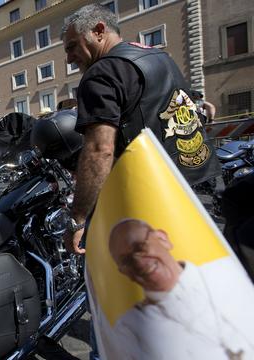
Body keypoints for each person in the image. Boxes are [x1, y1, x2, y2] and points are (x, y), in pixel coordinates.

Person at [61, 4, 220, 255]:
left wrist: (78, 219)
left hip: (158, 201)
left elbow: (99, 150)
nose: (69, 58)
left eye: (71, 46)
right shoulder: (159, 56)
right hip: (203, 183)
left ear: (99, 31)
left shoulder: (100, 73)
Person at [104, 218, 254, 359]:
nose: (138, 262)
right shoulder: (128, 327)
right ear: (124, 273)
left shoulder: (223, 272)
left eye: (140, 248)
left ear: (163, 239)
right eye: (126, 261)